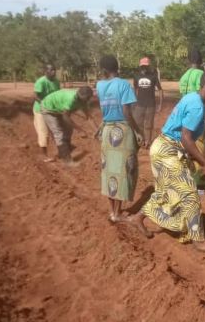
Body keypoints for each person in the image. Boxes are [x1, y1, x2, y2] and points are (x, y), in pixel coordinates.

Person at [131, 70, 205, 252]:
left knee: (165, 191)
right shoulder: (197, 107)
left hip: (163, 147)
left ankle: (138, 218)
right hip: (168, 151)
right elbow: (186, 138)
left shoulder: (194, 97)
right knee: (190, 193)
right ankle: (197, 240)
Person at [96, 55, 143, 223]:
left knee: (109, 172)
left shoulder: (99, 85)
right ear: (117, 68)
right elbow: (126, 112)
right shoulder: (124, 85)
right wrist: (138, 131)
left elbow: (104, 109)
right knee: (123, 171)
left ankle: (112, 212)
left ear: (104, 70)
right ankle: (117, 213)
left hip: (107, 131)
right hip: (123, 132)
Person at [41, 86, 94, 165]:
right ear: (81, 95)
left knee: (68, 130)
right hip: (48, 109)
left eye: (89, 98)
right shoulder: (71, 99)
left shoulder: (83, 101)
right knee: (58, 133)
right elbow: (65, 117)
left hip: (59, 109)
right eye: (87, 98)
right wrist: (79, 130)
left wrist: (97, 131)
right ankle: (68, 161)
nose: (88, 100)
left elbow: (89, 117)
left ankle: (63, 151)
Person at [133, 57, 163, 148]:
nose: (144, 68)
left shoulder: (153, 76)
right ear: (140, 66)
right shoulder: (136, 76)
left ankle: (147, 142)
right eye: (142, 66)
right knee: (138, 123)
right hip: (139, 105)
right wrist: (134, 102)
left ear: (148, 66)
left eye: (146, 66)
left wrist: (160, 104)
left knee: (148, 125)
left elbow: (160, 90)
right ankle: (140, 140)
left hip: (151, 105)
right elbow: (135, 89)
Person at [33, 64, 60, 160]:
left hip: (52, 109)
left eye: (54, 70)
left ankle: (60, 151)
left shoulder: (56, 82)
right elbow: (35, 96)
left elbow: (57, 95)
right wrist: (45, 104)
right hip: (40, 110)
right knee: (43, 132)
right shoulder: (41, 82)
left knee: (56, 130)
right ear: (46, 71)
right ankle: (44, 155)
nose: (54, 72)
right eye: (51, 70)